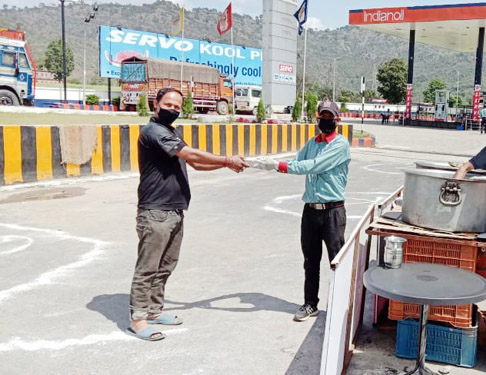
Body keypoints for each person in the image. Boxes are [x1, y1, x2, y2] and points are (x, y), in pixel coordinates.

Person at [128, 87, 249, 341]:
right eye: (168, 104)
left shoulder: (171, 132)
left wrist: (225, 166)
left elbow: (194, 163)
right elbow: (190, 154)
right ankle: (138, 320)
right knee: (148, 267)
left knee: (166, 265)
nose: (172, 109)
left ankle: (154, 310)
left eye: (177, 106)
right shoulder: (154, 131)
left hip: (174, 209)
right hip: (155, 211)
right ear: (155, 104)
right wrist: (227, 160)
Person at [258, 100, 351, 322]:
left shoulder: (340, 145)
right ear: (317, 118)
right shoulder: (312, 143)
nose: (326, 120)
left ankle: (341, 308)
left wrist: (278, 165)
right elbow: (298, 161)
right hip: (311, 211)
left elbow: (314, 166)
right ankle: (310, 304)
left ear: (337, 119)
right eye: (322, 116)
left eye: (330, 117)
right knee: (310, 260)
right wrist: (270, 164)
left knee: (337, 260)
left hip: (332, 212)